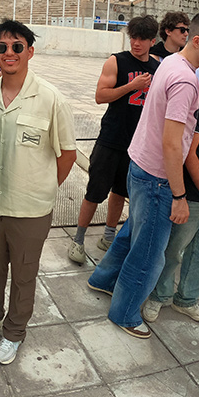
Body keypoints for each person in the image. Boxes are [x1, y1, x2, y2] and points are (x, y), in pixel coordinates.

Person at [88, 12, 199, 339]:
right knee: (149, 253)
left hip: (141, 165)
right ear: (198, 40)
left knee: (131, 234)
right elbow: (171, 141)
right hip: (157, 177)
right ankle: (124, 313)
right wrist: (179, 196)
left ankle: (103, 279)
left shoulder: (170, 63)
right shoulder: (185, 80)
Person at [0, 20, 77, 364]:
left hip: (31, 208)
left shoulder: (50, 98)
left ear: (30, 51)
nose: (9, 53)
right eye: (1, 47)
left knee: (24, 273)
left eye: (17, 47)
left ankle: (14, 332)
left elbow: (68, 154)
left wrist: (43, 186)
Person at [142, 44, 199, 324]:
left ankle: (187, 299)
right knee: (172, 251)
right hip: (193, 193)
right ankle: (159, 296)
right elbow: (189, 152)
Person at [68, 15, 160, 263]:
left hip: (137, 143)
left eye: (142, 39)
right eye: (133, 37)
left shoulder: (157, 67)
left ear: (153, 41)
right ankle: (78, 239)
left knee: (120, 192)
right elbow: (101, 95)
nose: (136, 43)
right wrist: (132, 86)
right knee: (95, 191)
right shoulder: (116, 61)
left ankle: (108, 236)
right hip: (111, 138)